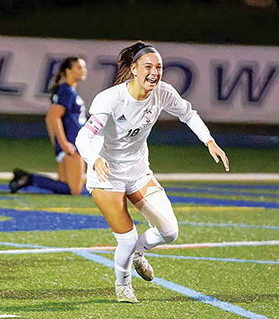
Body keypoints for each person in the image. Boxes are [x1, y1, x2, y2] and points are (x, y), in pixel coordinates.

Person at [75, 41, 229, 303]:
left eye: (159, 67)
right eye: (148, 66)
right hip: (106, 175)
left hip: (138, 172)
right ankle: (123, 284)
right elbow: (83, 136)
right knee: (126, 238)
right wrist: (93, 158)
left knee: (169, 231)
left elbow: (188, 114)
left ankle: (137, 253)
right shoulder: (111, 99)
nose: (155, 72)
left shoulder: (163, 93)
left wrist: (209, 141)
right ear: (134, 69)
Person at [10, 57, 88, 195]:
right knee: (73, 189)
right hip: (71, 143)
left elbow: (50, 118)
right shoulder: (66, 91)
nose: (84, 70)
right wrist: (63, 143)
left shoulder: (67, 90)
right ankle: (29, 178)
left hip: (71, 142)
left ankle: (27, 178)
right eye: (79, 67)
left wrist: (56, 140)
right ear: (68, 71)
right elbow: (53, 116)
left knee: (64, 185)